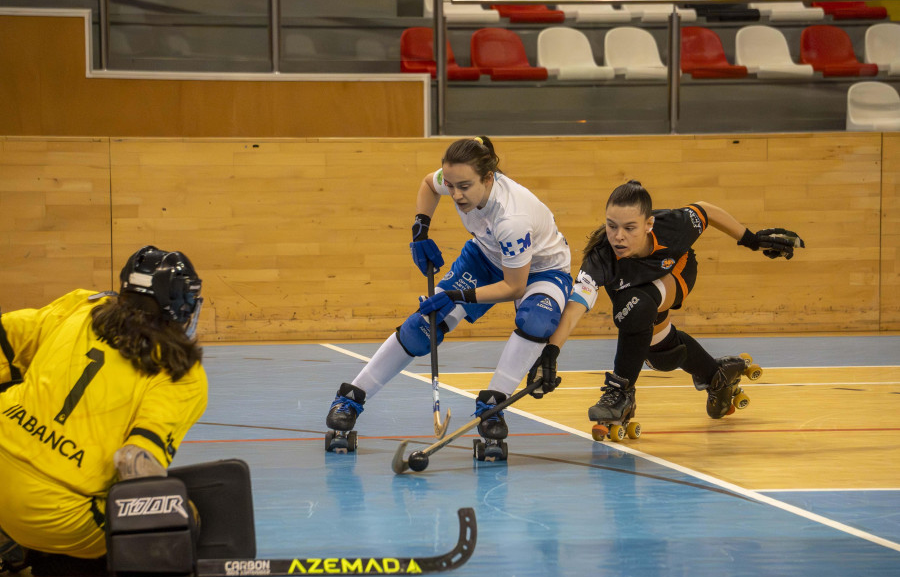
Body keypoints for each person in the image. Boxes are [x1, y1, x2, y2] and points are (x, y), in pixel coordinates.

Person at [325, 136, 572, 451]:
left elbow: (514, 287)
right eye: (452, 185)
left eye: (464, 187)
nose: (455, 194)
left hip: (541, 270)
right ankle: (350, 399)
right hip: (485, 256)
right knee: (423, 326)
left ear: (488, 178)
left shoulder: (512, 219)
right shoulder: (455, 179)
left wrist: (458, 296)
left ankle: (492, 407)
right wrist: (420, 230)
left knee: (536, 321)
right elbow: (429, 184)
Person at [529, 180, 804, 428]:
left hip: (675, 270)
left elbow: (705, 211)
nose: (618, 236)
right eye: (611, 226)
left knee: (635, 309)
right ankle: (717, 376)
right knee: (661, 353)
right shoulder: (601, 257)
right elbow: (577, 303)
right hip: (633, 292)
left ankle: (620, 392)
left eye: (629, 228)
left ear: (649, 224)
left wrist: (752, 240)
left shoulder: (672, 226)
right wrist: (551, 352)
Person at [0, 246, 207, 575]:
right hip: (59, 513)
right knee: (186, 515)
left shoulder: (83, 306)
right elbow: (137, 464)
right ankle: (49, 553)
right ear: (179, 304)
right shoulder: (182, 373)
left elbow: (6, 335)